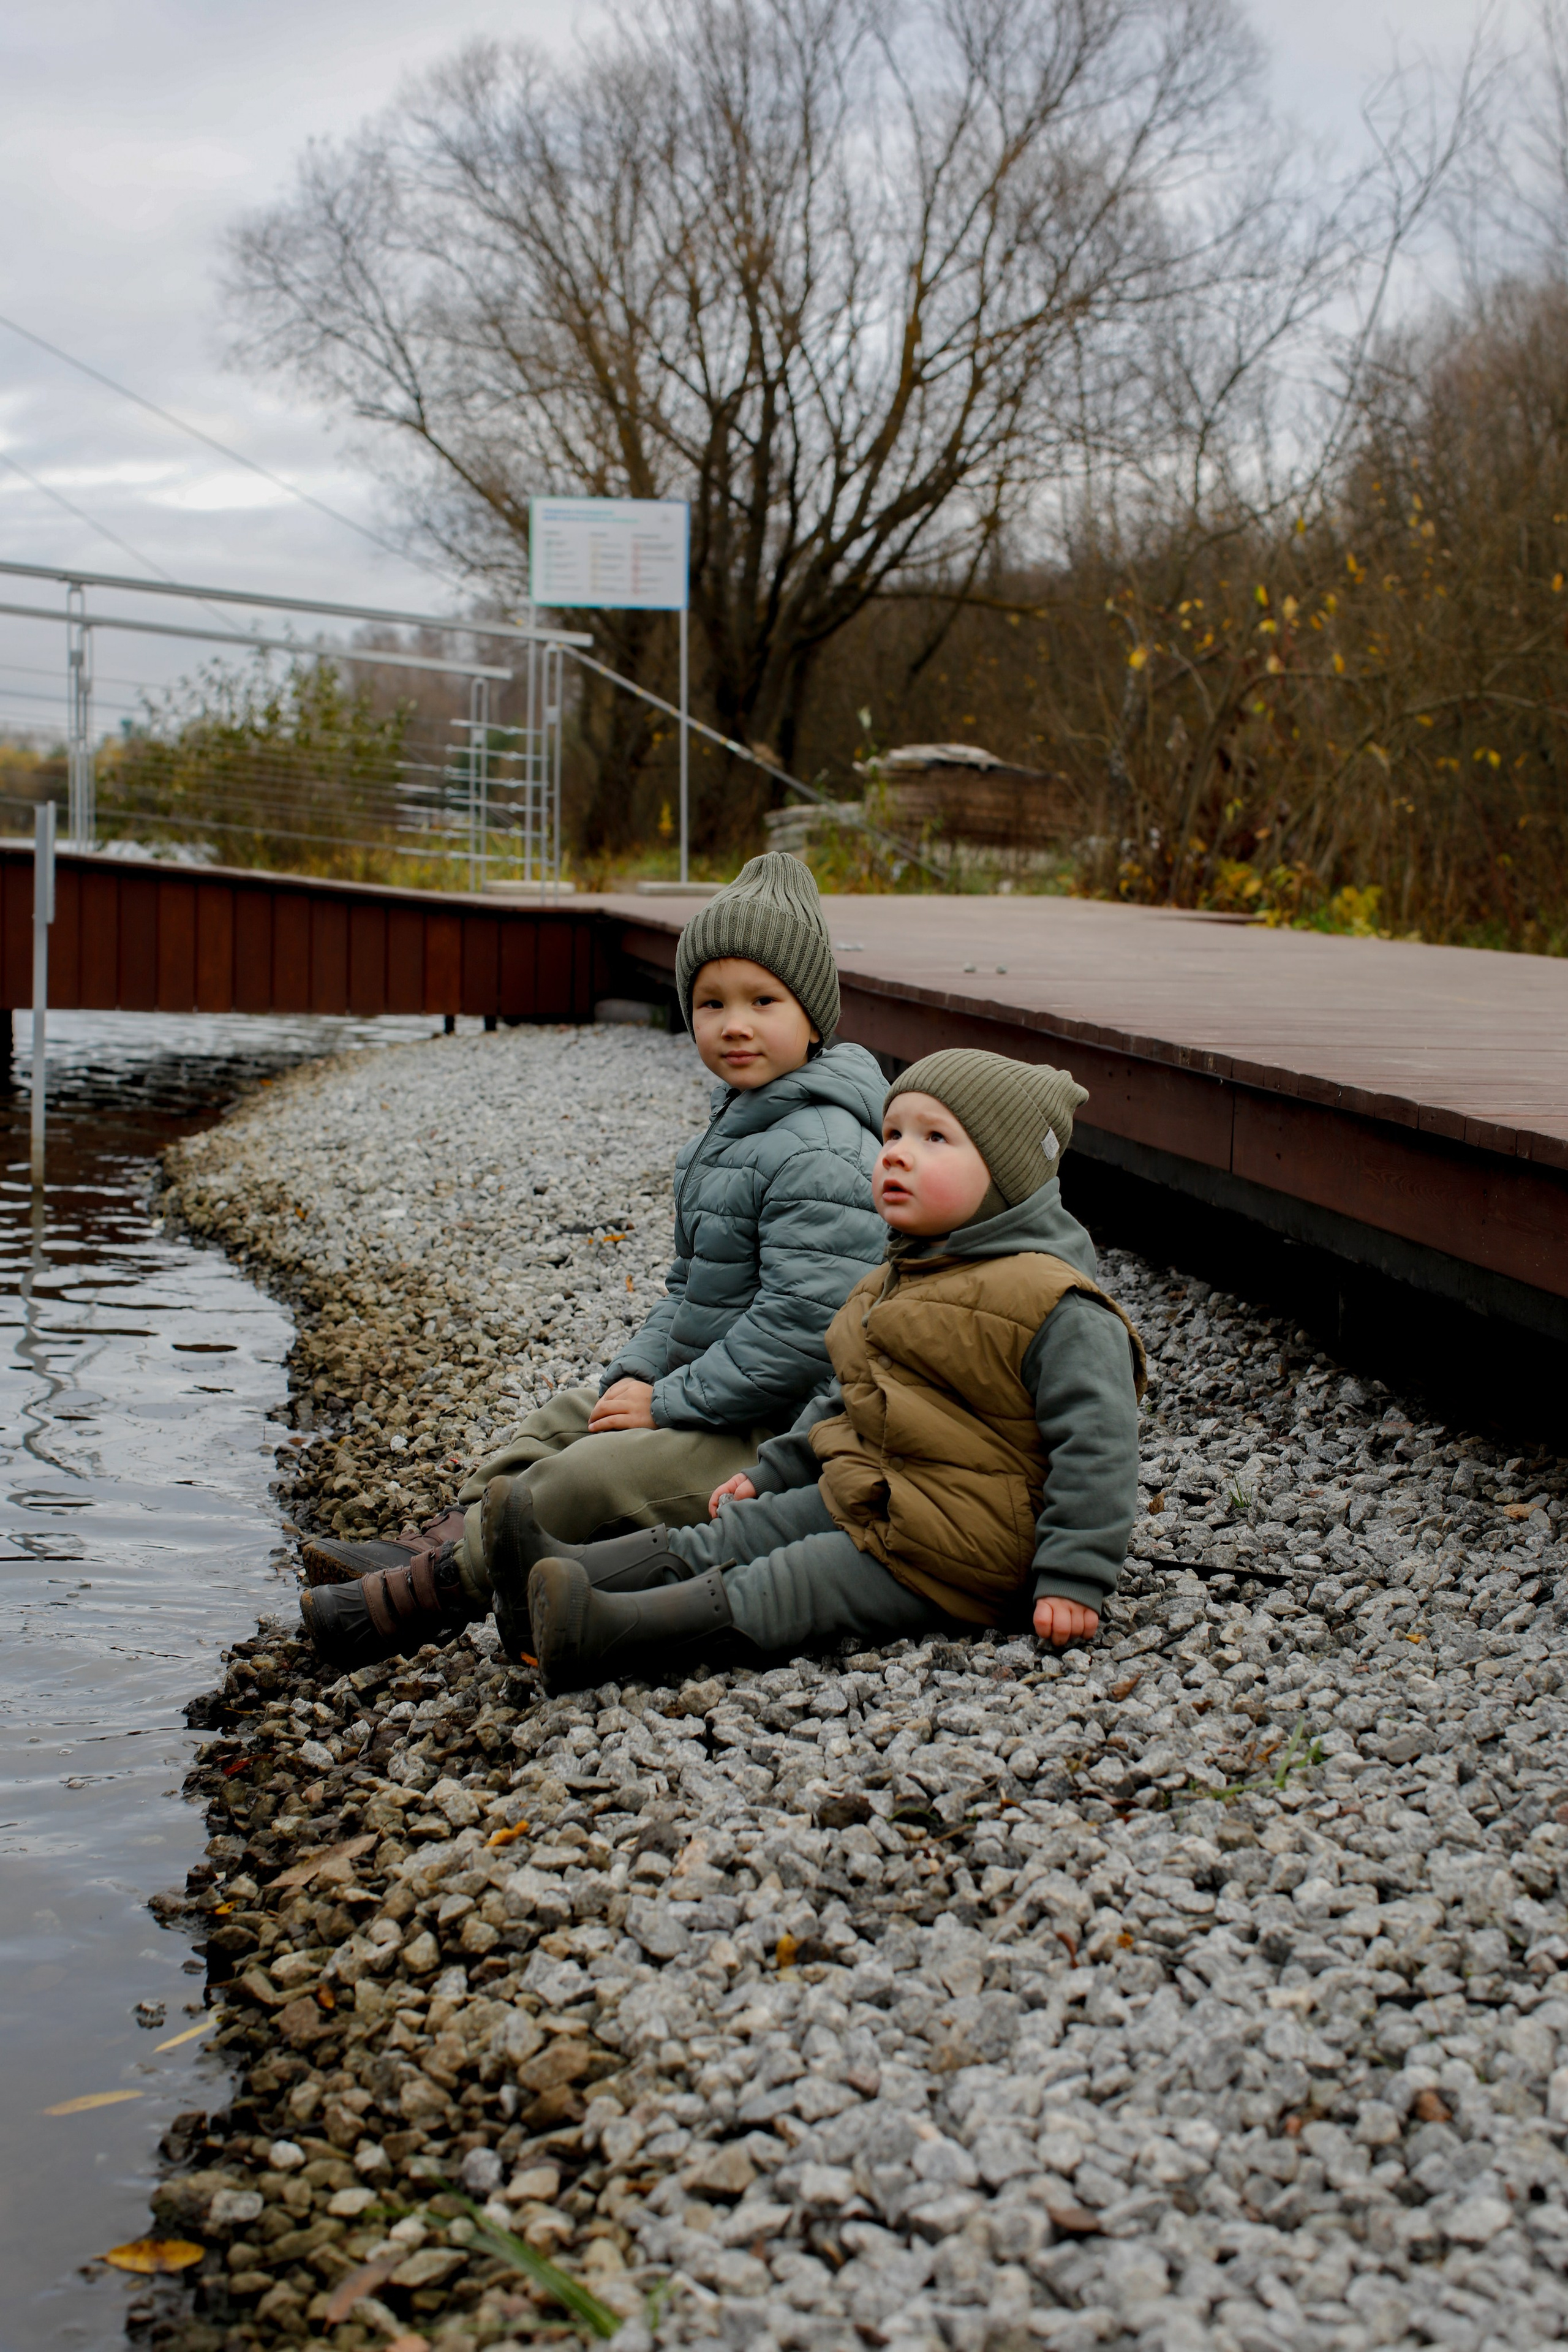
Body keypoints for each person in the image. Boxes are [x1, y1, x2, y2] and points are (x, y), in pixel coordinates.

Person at [301, 853, 888, 1667]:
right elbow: (686, 1290)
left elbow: (800, 1335)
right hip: (715, 1393)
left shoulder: (823, 1150)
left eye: (764, 1001)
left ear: (813, 1017)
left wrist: (669, 1401)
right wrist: (632, 1377)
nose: (734, 1025)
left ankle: (427, 1595)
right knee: (560, 1421)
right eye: (711, 1004)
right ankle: (443, 1543)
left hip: (778, 1431)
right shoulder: (730, 1133)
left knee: (592, 1476)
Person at [503, 1046, 1148, 1694]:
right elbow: (840, 1396)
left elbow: (1097, 1448)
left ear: (1007, 1176)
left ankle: (606, 1630)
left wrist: (1073, 1576)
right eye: (892, 1133)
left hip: (965, 1549)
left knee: (795, 1578)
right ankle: (561, 1568)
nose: (896, 1152)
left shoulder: (1057, 1305)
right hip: (876, 1494)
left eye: (935, 1138)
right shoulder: (895, 1277)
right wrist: (774, 1472)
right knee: (747, 1528)